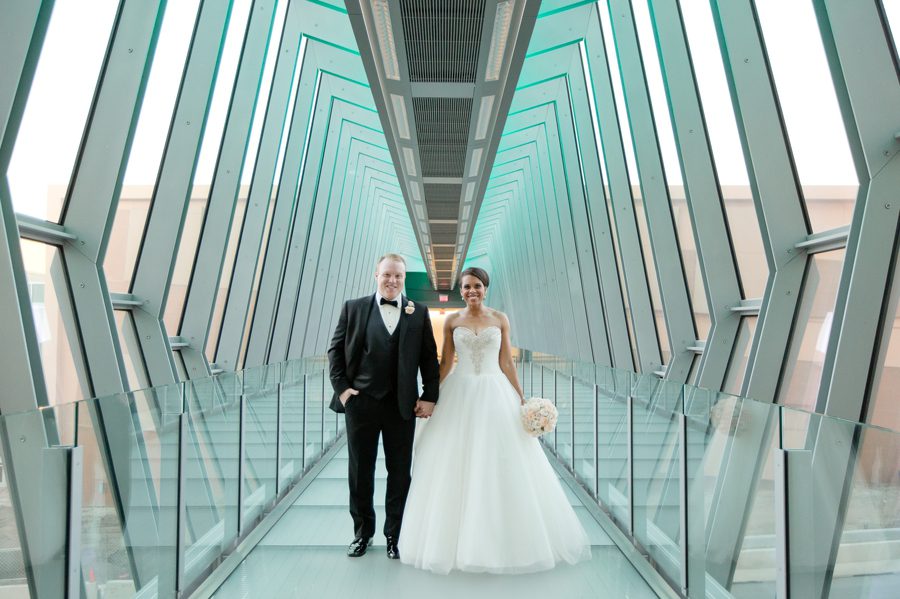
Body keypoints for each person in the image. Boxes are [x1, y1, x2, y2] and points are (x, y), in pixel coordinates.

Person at [399, 267, 591, 574]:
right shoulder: (452, 320)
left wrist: (521, 397)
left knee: (501, 459)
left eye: (476, 286)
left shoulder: (500, 319)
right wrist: (430, 396)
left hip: (494, 391)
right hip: (460, 391)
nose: (471, 291)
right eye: (466, 287)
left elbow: (505, 361)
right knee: (454, 458)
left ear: (485, 288)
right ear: (460, 291)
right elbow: (446, 362)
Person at [327, 254, 440, 560]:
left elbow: (429, 358)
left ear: (404, 279)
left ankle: (395, 535)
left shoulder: (419, 312)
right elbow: (335, 351)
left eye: (398, 276)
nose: (392, 281)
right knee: (360, 471)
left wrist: (430, 395)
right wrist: (344, 392)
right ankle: (362, 534)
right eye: (387, 275)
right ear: (376, 275)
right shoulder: (354, 307)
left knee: (400, 473)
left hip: (402, 407)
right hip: (361, 404)